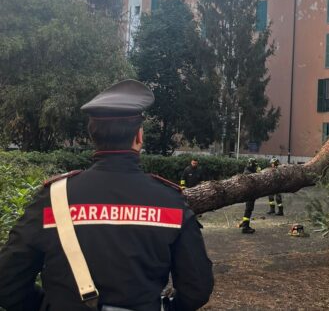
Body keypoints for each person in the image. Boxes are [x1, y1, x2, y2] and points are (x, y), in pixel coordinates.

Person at [0, 79, 214, 311]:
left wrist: (50, 305)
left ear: (93, 137)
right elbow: (197, 289)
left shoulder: (53, 199)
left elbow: (7, 284)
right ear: (139, 137)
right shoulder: (170, 202)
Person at [238, 158, 259, 234]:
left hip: (251, 194)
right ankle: (245, 227)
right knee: (248, 210)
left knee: (249, 210)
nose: (255, 167)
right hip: (249, 194)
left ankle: (245, 225)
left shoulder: (249, 171)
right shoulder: (247, 173)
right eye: (254, 166)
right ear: (251, 165)